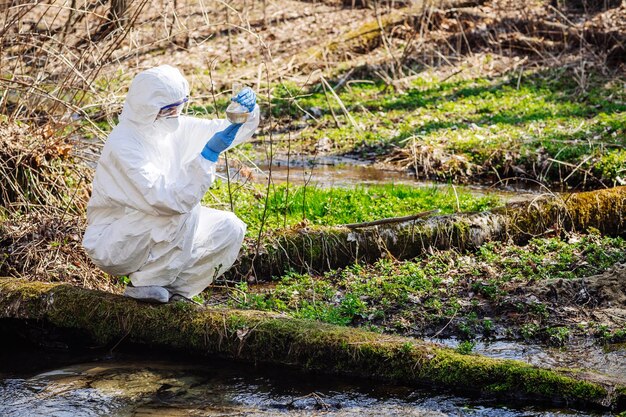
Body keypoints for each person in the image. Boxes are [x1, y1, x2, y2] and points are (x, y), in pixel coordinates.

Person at [82, 65, 259, 304]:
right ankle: (146, 283)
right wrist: (207, 156)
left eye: (180, 105)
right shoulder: (124, 144)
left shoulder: (168, 128)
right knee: (185, 209)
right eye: (169, 109)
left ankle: (176, 290)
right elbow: (167, 200)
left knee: (230, 227)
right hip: (116, 241)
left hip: (154, 226)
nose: (176, 114)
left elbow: (223, 131)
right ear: (147, 108)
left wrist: (247, 111)